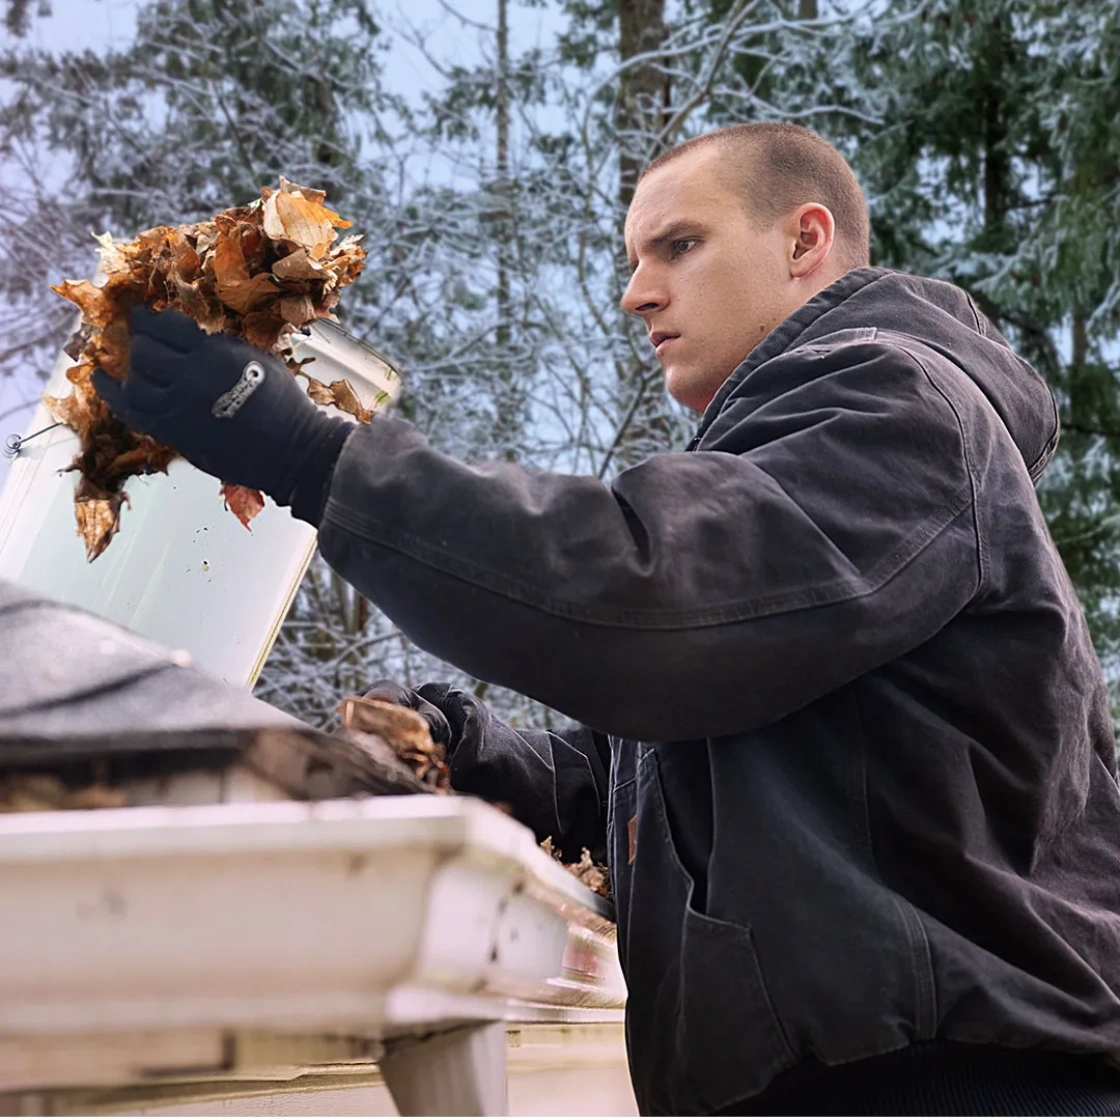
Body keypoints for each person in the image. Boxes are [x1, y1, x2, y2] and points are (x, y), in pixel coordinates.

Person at [92, 123, 1120, 1116]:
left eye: (678, 245)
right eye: (632, 257)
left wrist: (313, 457)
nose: (635, 292)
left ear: (804, 241)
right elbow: (698, 769)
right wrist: (475, 751)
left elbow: (648, 599)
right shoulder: (797, 460)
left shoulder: (902, 409)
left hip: (957, 1094)